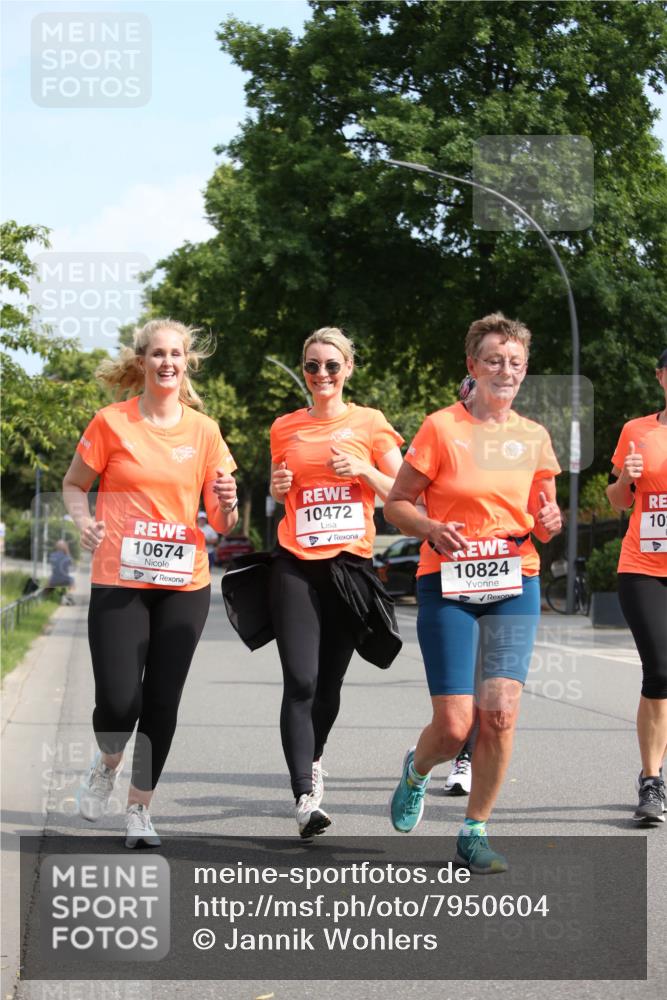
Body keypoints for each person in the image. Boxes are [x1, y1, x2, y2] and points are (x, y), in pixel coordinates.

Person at [385, 313, 562, 873]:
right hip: (448, 582)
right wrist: (430, 528)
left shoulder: (534, 436)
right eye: (493, 360)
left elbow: (544, 517)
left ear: (525, 370)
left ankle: (474, 830)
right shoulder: (441, 428)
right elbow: (396, 503)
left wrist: (550, 520)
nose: (504, 370)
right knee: (456, 724)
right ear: (473, 366)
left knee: (501, 714)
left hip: (515, 579)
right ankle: (417, 770)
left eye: (514, 362)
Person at [62, 318, 238, 848]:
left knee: (161, 701)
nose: (167, 362)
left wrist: (226, 505)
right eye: (157, 353)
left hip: (183, 582)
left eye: (176, 355)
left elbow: (223, 522)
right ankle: (106, 762)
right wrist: (83, 520)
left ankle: (140, 811)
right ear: (141, 361)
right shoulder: (111, 423)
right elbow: (75, 485)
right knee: (119, 702)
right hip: (119, 577)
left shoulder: (204, 431)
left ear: (187, 363)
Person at [270, 326, 403, 837]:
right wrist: (279, 485)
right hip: (296, 564)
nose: (320, 374)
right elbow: (285, 490)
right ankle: (305, 793)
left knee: (328, 685)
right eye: (311, 365)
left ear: (348, 368)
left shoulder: (371, 423)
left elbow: (402, 492)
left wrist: (366, 471)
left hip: (349, 571)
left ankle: (315, 754)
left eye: (330, 365)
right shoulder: (284, 427)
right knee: (300, 680)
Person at [606, 348, 667, 824]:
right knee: (660, 669)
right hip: (643, 566)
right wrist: (626, 478)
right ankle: (651, 779)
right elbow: (616, 501)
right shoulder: (637, 430)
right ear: (660, 376)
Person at [48, 538, 75, 604]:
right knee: (72, 580)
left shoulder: (52, 555)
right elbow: (71, 563)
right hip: (65, 580)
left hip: (53, 580)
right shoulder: (66, 556)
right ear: (64, 547)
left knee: (49, 580)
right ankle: (69, 596)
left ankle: (46, 597)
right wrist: (67, 550)